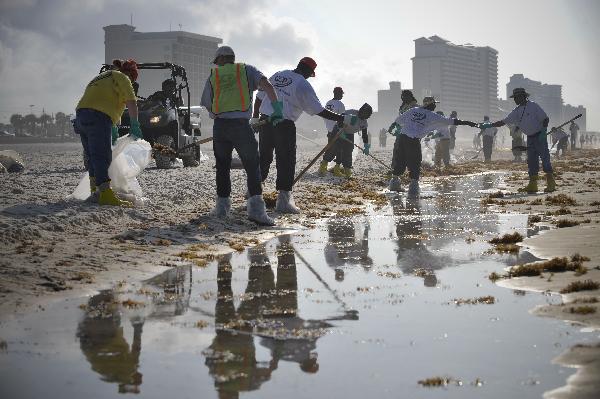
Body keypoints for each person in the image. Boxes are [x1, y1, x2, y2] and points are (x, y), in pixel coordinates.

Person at [200, 45, 281, 225]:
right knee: (252, 165)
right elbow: (267, 86)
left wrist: (216, 114)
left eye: (217, 61)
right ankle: (256, 211)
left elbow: (207, 103)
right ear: (232, 57)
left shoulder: (214, 75)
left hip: (220, 126)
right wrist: (277, 109)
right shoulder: (246, 70)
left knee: (222, 166)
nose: (218, 65)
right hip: (241, 126)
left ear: (220, 59)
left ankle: (222, 209)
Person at [254, 57, 345, 213]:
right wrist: (342, 118)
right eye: (310, 74)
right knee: (286, 160)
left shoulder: (278, 74)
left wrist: (255, 116)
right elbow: (318, 110)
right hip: (283, 124)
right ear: (309, 72)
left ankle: (253, 195)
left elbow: (259, 97)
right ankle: (283, 201)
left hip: (266, 121)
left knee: (264, 157)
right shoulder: (303, 84)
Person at [75, 59, 142, 207]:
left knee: (92, 156)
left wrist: (112, 126)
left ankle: (95, 191)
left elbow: (104, 100)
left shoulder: (103, 76)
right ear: (130, 74)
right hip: (98, 116)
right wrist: (135, 124)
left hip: (81, 116)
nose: (132, 82)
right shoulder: (123, 78)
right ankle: (105, 194)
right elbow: (131, 102)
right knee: (102, 156)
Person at [387, 96, 478, 195]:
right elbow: (451, 121)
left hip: (402, 137)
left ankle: (394, 183)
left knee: (400, 159)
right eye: (434, 104)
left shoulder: (413, 110)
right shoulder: (432, 115)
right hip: (413, 140)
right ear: (430, 104)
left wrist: (393, 128)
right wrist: (469, 123)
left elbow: (398, 121)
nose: (435, 106)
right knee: (415, 161)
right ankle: (413, 188)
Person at [479, 87, 555, 193]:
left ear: (523, 96)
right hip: (530, 138)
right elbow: (503, 121)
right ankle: (533, 185)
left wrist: (543, 132)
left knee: (545, 159)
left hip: (539, 136)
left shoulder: (533, 106)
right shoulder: (516, 111)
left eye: (516, 97)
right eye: (514, 98)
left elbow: (545, 119)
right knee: (532, 161)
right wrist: (489, 125)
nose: (515, 100)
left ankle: (551, 182)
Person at [320, 104, 373, 178]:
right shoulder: (351, 112)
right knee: (333, 148)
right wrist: (341, 130)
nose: (366, 116)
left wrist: (366, 146)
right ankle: (323, 166)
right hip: (339, 130)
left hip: (349, 134)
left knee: (348, 151)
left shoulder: (364, 123)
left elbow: (364, 135)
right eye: (366, 114)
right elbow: (339, 118)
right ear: (361, 111)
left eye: (368, 115)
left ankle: (346, 170)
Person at [387, 90, 419, 181]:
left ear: (410, 96)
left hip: (411, 133)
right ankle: (394, 169)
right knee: (397, 150)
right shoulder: (403, 106)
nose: (404, 98)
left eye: (405, 96)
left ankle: (410, 172)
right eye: (402, 96)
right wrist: (395, 126)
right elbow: (400, 119)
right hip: (401, 132)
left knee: (409, 152)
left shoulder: (415, 106)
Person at [318, 87, 346, 177]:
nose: (342, 95)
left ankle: (323, 167)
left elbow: (325, 116)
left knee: (330, 148)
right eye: (342, 93)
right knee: (339, 150)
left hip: (329, 129)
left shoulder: (328, 103)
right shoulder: (340, 104)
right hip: (337, 130)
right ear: (338, 93)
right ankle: (335, 169)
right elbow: (342, 119)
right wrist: (343, 131)